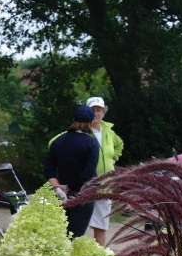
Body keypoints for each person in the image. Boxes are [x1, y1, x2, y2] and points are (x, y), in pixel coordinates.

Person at [45, 105, 99, 237]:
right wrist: (69, 187)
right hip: (83, 194)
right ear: (91, 122)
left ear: (73, 120)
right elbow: (88, 173)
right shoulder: (91, 143)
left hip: (60, 194)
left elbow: (49, 168)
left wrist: (57, 186)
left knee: (60, 234)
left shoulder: (58, 141)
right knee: (75, 236)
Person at [84, 97, 124, 246]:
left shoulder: (108, 131)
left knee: (101, 226)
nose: (96, 113)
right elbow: (57, 142)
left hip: (106, 184)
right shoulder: (81, 130)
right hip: (85, 184)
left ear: (103, 112)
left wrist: (113, 159)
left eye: (98, 110)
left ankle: (99, 255)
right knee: (78, 224)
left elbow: (119, 144)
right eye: (92, 110)